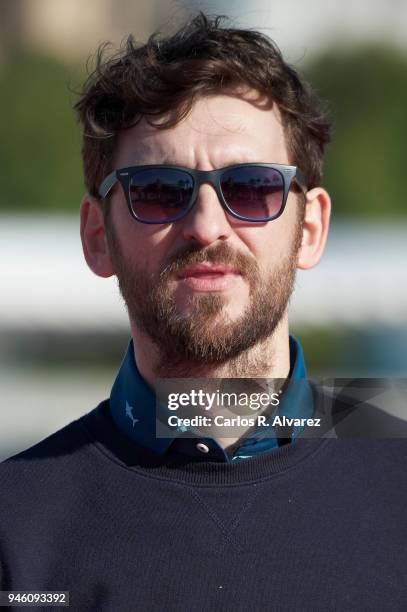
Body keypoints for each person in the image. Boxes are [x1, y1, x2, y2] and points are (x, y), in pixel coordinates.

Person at [1, 13, 406, 612]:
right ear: (96, 235)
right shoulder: (15, 526)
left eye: (252, 188)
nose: (207, 226)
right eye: (159, 191)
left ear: (311, 228)